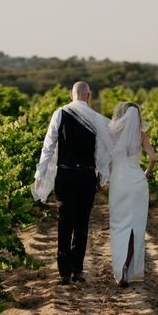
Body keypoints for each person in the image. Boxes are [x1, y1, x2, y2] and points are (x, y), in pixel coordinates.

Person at [32, 81, 112, 285]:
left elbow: (48, 146)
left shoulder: (60, 114)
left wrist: (39, 174)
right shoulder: (95, 118)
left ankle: (64, 273)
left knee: (64, 223)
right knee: (82, 224)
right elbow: (103, 151)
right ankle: (78, 271)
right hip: (86, 176)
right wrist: (102, 177)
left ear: (71, 95)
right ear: (88, 95)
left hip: (65, 174)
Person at [108, 102, 157, 287]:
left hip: (119, 183)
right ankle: (127, 268)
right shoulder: (141, 135)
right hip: (137, 182)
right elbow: (153, 158)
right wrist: (145, 174)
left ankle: (120, 272)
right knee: (135, 227)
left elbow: (103, 159)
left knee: (118, 226)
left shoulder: (112, 134)